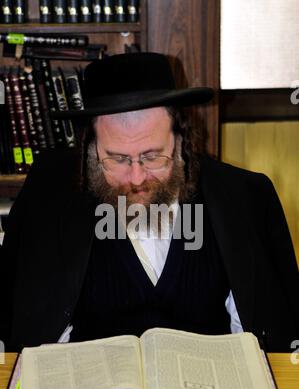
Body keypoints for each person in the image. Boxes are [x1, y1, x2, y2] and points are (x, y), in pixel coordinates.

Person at [0, 52, 298, 352]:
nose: (137, 177)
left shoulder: (245, 197)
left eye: (152, 156)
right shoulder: (48, 197)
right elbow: (27, 329)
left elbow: (267, 339)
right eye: (117, 159)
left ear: (181, 138)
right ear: (90, 148)